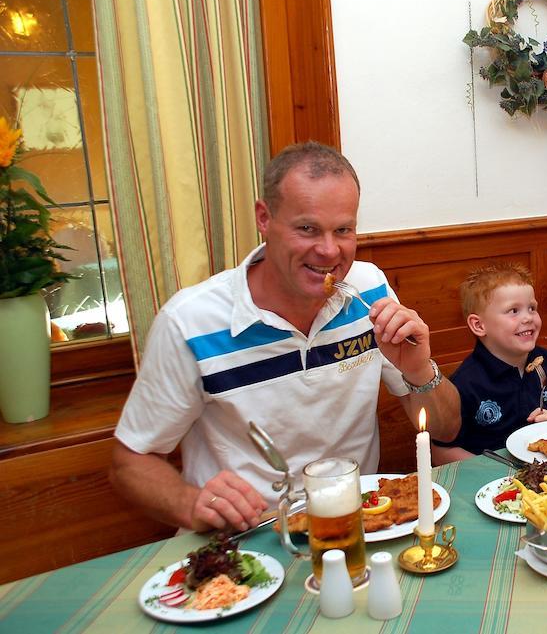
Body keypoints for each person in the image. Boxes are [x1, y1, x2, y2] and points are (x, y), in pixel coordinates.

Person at [110, 142, 461, 533]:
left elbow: (445, 429)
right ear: (264, 217)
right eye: (307, 229)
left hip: (357, 528)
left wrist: (418, 370)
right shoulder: (190, 321)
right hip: (247, 538)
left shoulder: (371, 290)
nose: (329, 251)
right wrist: (189, 503)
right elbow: (129, 463)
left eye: (343, 230)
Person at [431, 262, 547, 463]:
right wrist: (493, 472)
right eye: (514, 311)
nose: (528, 317)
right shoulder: (466, 383)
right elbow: (440, 451)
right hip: (492, 481)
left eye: (532, 308)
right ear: (479, 325)